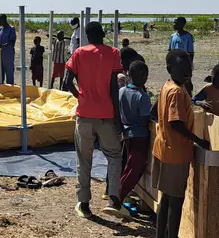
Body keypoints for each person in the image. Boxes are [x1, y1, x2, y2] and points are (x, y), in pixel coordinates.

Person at [150, 50, 211, 238]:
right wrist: (197, 141)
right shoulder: (175, 92)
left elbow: (156, 113)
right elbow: (175, 122)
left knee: (165, 199)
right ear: (170, 70)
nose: (187, 73)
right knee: (175, 202)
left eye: (189, 70)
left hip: (164, 148)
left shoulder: (167, 86)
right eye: (182, 70)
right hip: (175, 153)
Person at [63, 22, 126, 220]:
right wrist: (117, 116)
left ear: (87, 36)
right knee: (114, 156)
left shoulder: (79, 53)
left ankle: (84, 203)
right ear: (103, 34)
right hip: (106, 115)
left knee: (84, 159)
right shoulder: (114, 53)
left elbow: (66, 82)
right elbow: (114, 88)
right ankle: (114, 199)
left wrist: (80, 96)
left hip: (84, 114)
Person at [118, 61, 152, 215]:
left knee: (128, 166)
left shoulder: (121, 92)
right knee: (134, 168)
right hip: (140, 136)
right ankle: (118, 197)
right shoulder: (142, 96)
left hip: (126, 135)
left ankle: (122, 194)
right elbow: (145, 119)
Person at [0, 15, 17, 85]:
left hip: (8, 55)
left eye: (0, 21)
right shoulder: (0, 29)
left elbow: (12, 41)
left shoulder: (11, 29)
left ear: (4, 20)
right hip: (0, 55)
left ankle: (10, 89)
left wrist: (1, 46)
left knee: (9, 74)